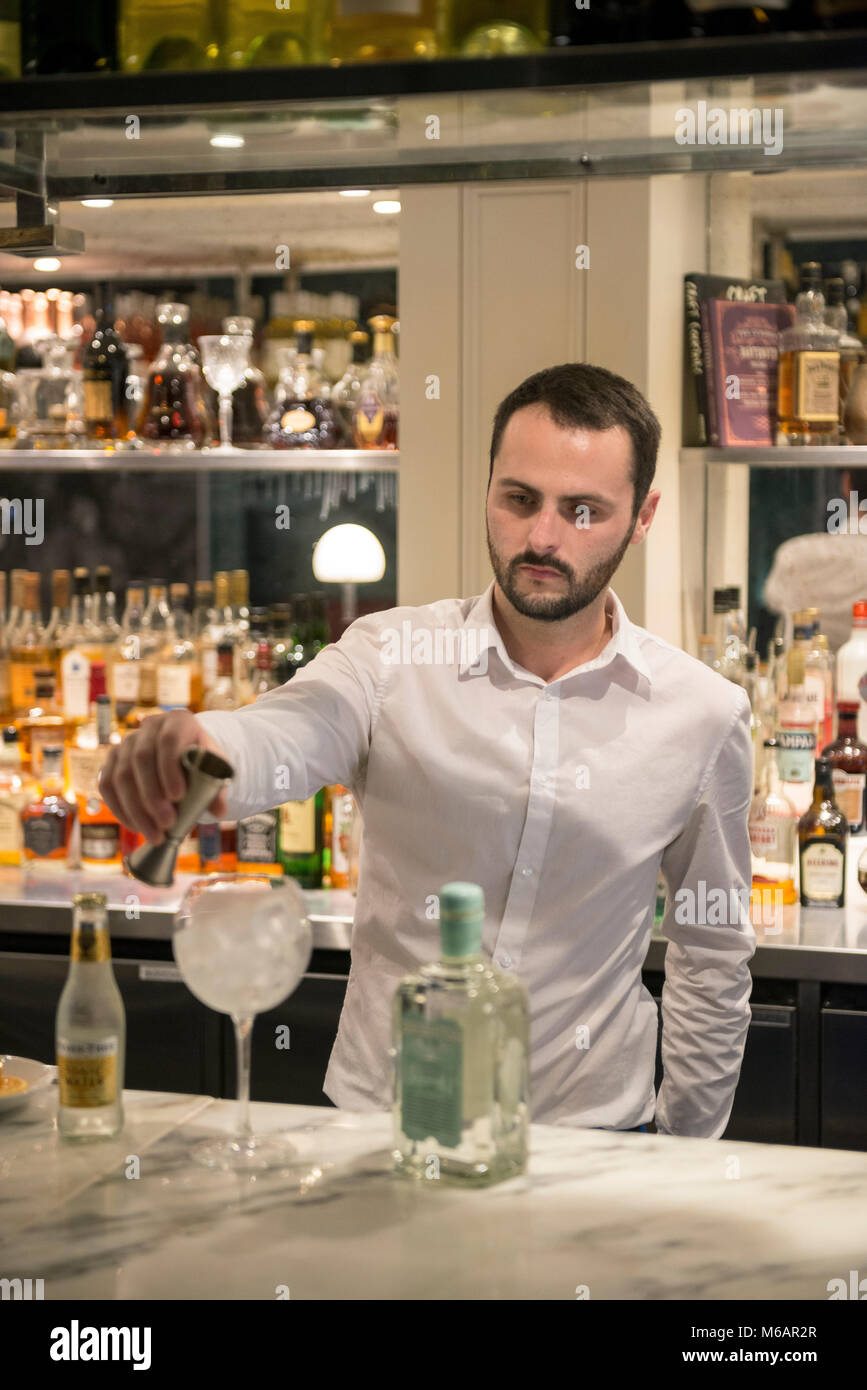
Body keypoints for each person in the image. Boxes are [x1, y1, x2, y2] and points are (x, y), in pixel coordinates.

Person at [101, 362, 755, 1138]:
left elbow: (711, 955)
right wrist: (205, 745)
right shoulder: (389, 657)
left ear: (642, 516)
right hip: (386, 1131)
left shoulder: (702, 714)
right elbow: (292, 730)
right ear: (488, 488)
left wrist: (686, 1162)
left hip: (594, 1144)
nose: (542, 536)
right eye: (519, 499)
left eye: (583, 510)